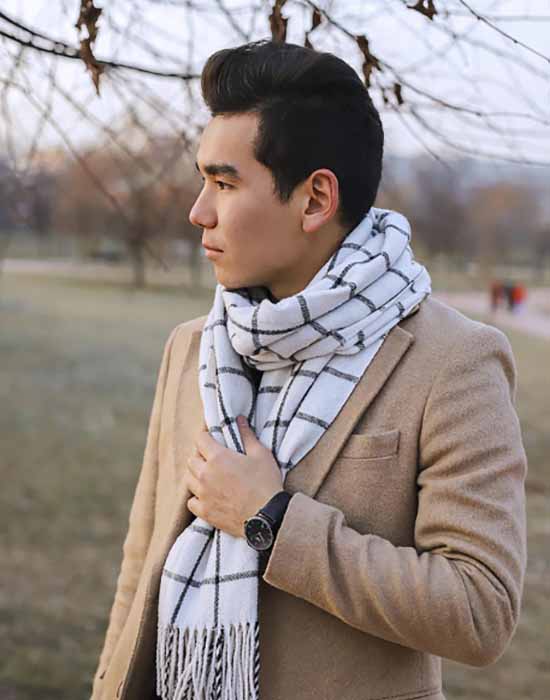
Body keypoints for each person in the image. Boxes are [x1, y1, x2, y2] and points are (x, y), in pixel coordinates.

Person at [90, 40, 527, 700]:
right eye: (203, 182)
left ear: (316, 198)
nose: (198, 212)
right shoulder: (191, 347)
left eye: (224, 184)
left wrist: (272, 520)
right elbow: (141, 563)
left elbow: (478, 610)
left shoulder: (453, 361)